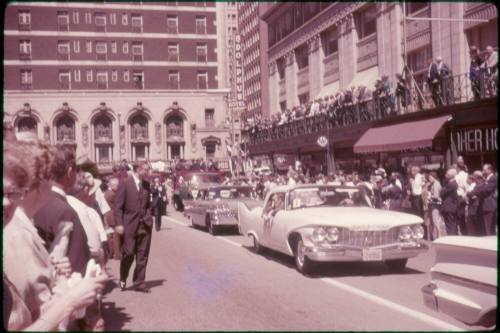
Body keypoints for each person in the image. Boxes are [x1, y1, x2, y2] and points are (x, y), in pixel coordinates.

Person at [3, 139, 108, 331]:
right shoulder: (16, 234)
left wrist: (54, 271)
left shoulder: (20, 225)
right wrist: (72, 300)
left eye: (10, 192)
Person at [34, 147, 91, 276]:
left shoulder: (35, 203)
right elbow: (77, 263)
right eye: (77, 170)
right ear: (70, 171)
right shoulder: (64, 211)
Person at [114, 161, 154, 293]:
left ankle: (139, 282)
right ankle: (123, 276)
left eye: (148, 170)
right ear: (138, 169)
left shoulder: (147, 185)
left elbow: (148, 204)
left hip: (144, 225)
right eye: (146, 170)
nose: (148, 173)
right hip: (129, 225)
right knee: (129, 253)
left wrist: (149, 216)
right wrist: (119, 224)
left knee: (143, 255)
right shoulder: (125, 183)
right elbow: (118, 207)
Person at [468, 164, 497, 235]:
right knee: (485, 228)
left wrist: (473, 193)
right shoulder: (486, 179)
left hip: (489, 206)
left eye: (484, 170)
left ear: (489, 170)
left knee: (489, 228)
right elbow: (482, 187)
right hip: (484, 206)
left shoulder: (493, 178)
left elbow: (486, 189)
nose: (483, 171)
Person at [104, 177, 122, 259]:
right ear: (113, 185)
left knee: (110, 235)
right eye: (117, 185)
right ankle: (117, 254)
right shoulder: (113, 194)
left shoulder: (107, 192)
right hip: (113, 214)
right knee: (116, 235)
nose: (118, 187)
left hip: (109, 214)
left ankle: (111, 253)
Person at [427, 171, 446, 239]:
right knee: (434, 220)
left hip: (436, 205)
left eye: (430, 177)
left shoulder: (436, 184)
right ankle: (436, 235)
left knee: (435, 220)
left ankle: (439, 235)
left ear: (434, 177)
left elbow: (436, 195)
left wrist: (429, 196)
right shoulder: (433, 184)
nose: (429, 179)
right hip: (433, 204)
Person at [440, 168, 459, 235]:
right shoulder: (449, 183)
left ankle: (452, 238)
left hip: (450, 207)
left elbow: (442, 193)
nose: (445, 175)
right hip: (448, 207)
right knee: (449, 224)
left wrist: (443, 190)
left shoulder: (452, 184)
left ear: (451, 175)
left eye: (447, 174)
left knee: (451, 225)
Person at [465, 171, 485, 236]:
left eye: (474, 178)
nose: (474, 179)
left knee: (475, 227)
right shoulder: (476, 184)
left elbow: (471, 193)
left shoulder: (480, 184)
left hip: (475, 208)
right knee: (472, 227)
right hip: (472, 207)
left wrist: (469, 194)